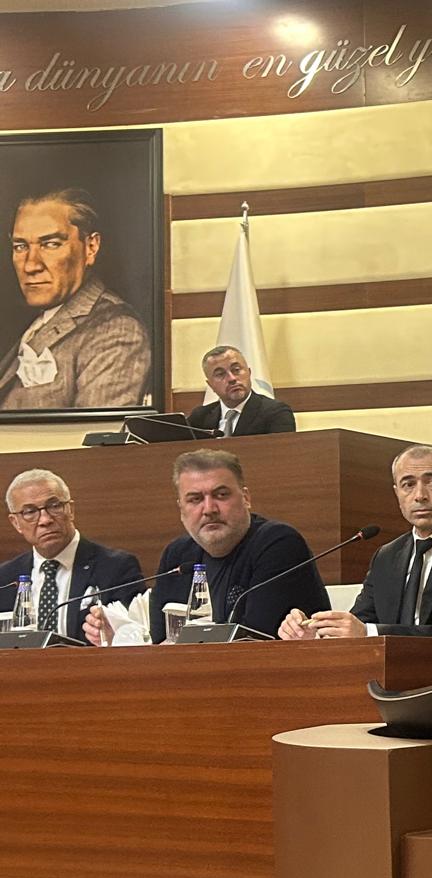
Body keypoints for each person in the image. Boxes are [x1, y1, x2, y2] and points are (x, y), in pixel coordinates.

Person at [87, 448, 328, 644]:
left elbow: (253, 643)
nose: (209, 509)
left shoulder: (278, 544)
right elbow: (161, 641)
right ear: (181, 508)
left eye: (221, 495)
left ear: (246, 498)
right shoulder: (177, 556)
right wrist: (118, 638)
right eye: (195, 499)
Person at [279, 444, 432, 640]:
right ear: (397, 493)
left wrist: (370, 633)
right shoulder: (387, 556)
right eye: (408, 485)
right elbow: (360, 623)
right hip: (388, 673)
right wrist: (317, 635)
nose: (420, 495)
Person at [0, 188, 152, 411]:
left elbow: (98, 429)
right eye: (21, 247)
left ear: (91, 247)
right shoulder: (38, 321)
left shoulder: (117, 331)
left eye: (51, 244)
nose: (31, 265)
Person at [2, 468, 143, 642]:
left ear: (71, 510)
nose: (45, 520)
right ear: (16, 523)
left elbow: (136, 638)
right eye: (30, 512)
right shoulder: (5, 578)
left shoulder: (117, 568)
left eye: (54, 506)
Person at [186, 345, 296, 436]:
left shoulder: (275, 413)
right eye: (220, 374)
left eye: (236, 370)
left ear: (249, 372)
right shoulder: (199, 418)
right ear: (211, 385)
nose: (232, 379)